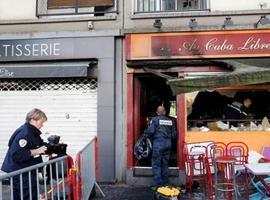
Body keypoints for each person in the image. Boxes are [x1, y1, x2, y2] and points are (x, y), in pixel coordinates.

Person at [1, 108, 48, 200]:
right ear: (33, 120)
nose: (42, 125)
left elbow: (38, 145)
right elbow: (17, 154)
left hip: (26, 171)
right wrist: (37, 151)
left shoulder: (32, 132)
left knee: (24, 195)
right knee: (27, 196)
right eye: (41, 122)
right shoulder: (25, 133)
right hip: (21, 172)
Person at [143, 106, 176, 188]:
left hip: (158, 144)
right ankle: (165, 183)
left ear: (157, 113)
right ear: (165, 112)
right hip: (168, 145)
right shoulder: (170, 121)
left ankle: (158, 184)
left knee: (156, 164)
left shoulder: (154, 120)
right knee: (165, 164)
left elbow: (151, 131)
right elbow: (174, 135)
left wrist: (144, 135)